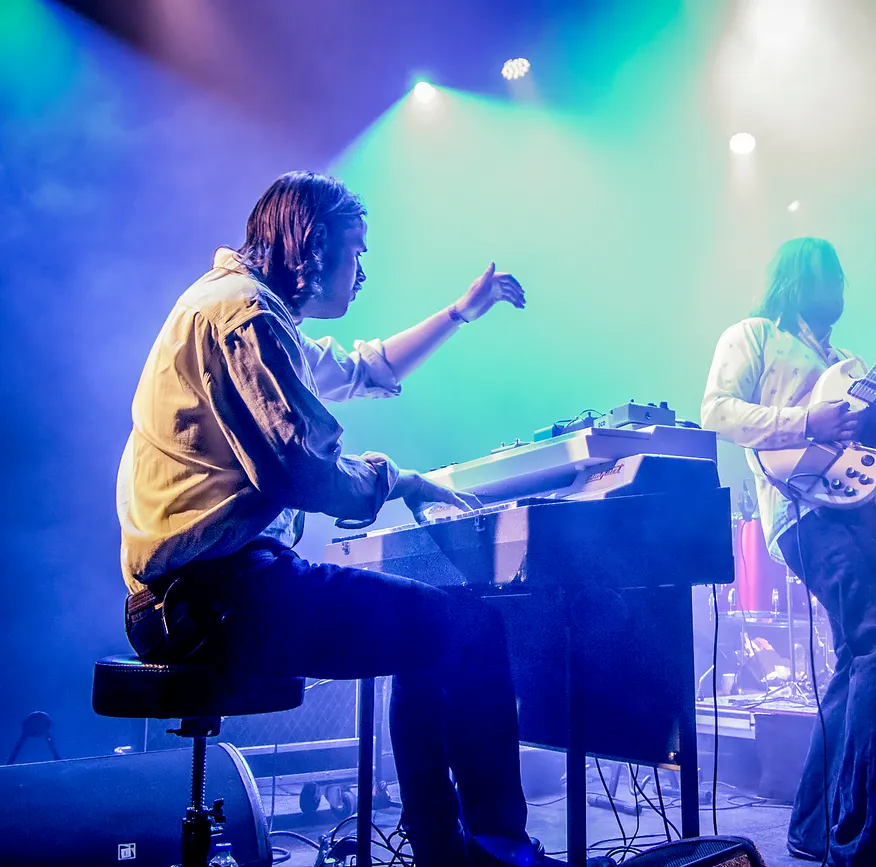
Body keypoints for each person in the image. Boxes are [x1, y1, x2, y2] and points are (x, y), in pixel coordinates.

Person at [117, 171, 556, 867]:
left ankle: (448, 852)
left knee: (434, 634)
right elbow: (302, 472)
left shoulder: (242, 310)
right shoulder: (245, 318)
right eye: (356, 251)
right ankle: (498, 856)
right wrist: (398, 478)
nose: (362, 272)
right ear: (314, 246)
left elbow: (364, 368)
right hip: (216, 598)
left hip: (199, 596)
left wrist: (460, 312)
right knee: (472, 629)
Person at [700, 237, 876, 866]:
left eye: (841, 281)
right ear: (798, 279)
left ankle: (814, 825)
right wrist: (808, 421)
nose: (839, 291)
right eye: (830, 277)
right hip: (806, 507)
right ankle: (875, 844)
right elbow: (716, 410)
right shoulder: (753, 335)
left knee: (858, 655)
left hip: (873, 507)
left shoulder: (850, 362)